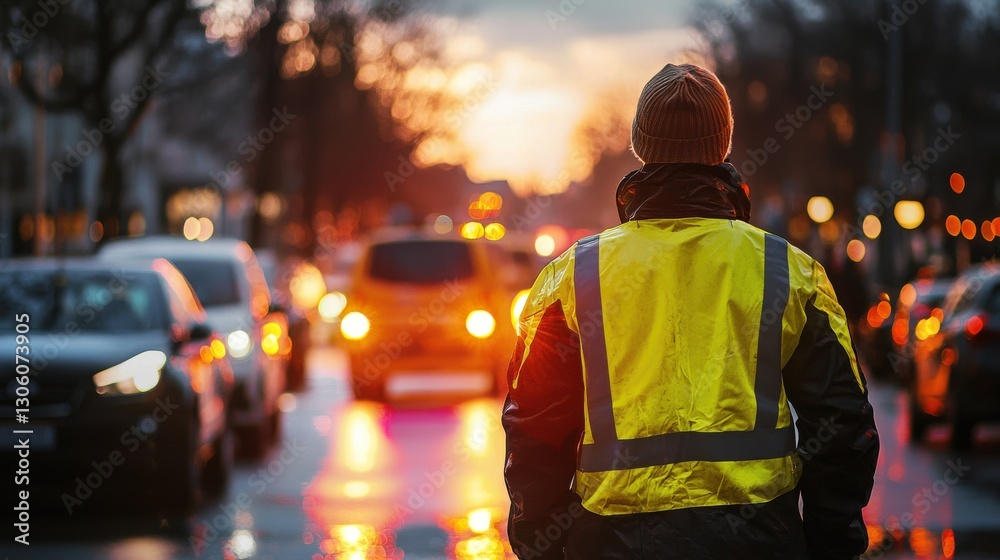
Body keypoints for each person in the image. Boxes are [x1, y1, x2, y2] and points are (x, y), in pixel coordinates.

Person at [502, 63, 879, 560]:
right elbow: (842, 425)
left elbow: (535, 430)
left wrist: (546, 545)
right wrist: (829, 544)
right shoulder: (787, 270)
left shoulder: (575, 276)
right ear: (721, 145)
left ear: (642, 146)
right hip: (759, 540)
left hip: (614, 543)